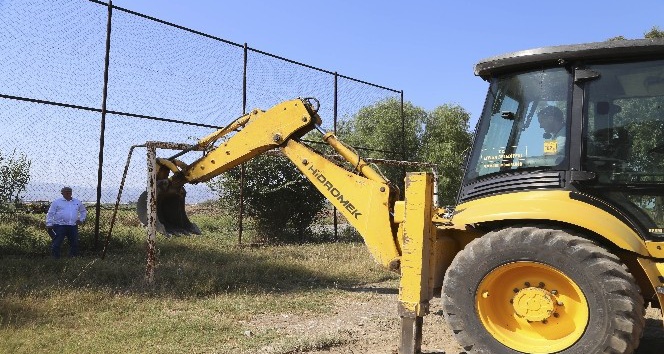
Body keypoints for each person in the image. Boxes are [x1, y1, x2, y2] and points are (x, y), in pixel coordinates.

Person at [45, 186, 87, 258]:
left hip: (73, 226)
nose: (68, 193)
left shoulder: (77, 202)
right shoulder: (56, 202)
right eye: (66, 191)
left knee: (74, 243)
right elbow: (50, 213)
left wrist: (81, 220)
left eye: (69, 191)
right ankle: (56, 259)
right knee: (57, 243)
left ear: (71, 193)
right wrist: (49, 223)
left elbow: (83, 211)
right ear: (62, 193)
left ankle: (72, 258)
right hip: (59, 226)